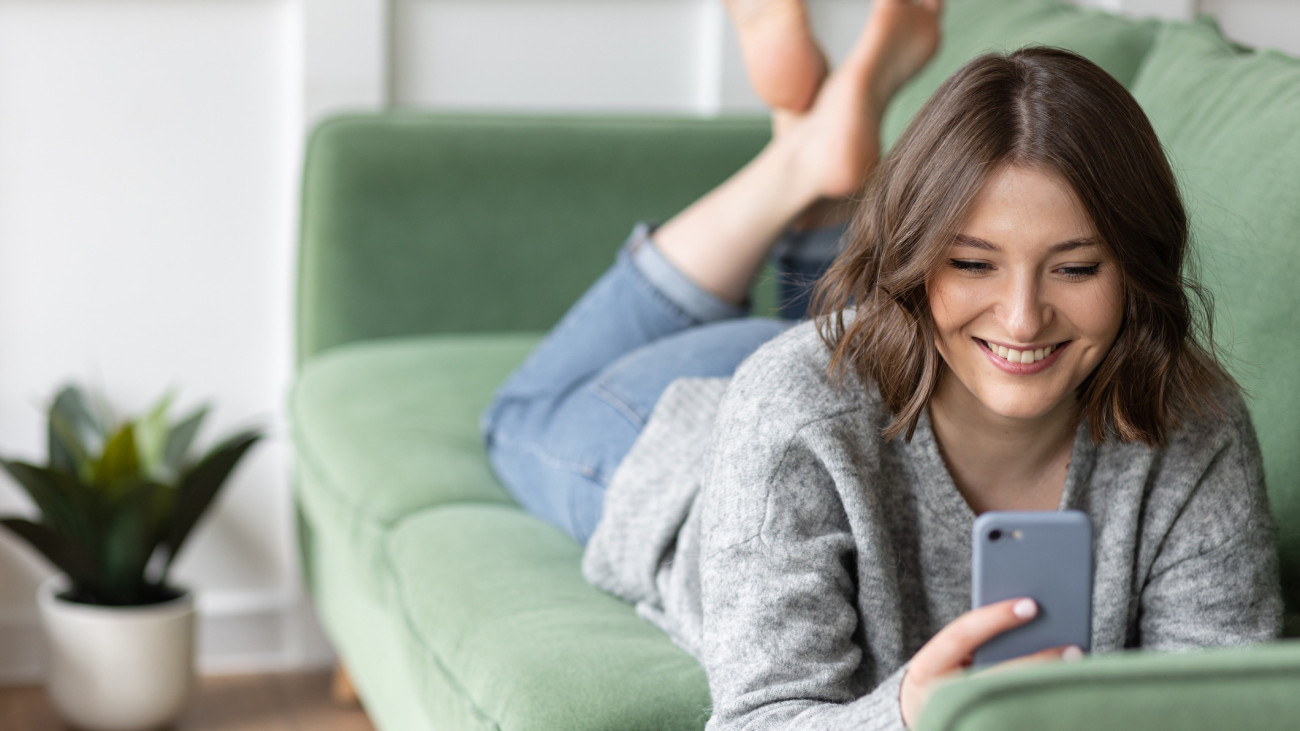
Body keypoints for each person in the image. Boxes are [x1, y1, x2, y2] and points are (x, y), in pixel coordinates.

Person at [479, 0, 1282, 728]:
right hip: (698, 450)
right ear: (919, 262)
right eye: (972, 263)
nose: (1024, 316)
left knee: (884, 342)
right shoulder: (789, 409)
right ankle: (796, 168)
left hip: (888, 359)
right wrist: (906, 714)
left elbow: (1221, 701)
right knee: (522, 415)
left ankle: (824, 159)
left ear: (1136, 270)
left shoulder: (1194, 426)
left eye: (1075, 269)